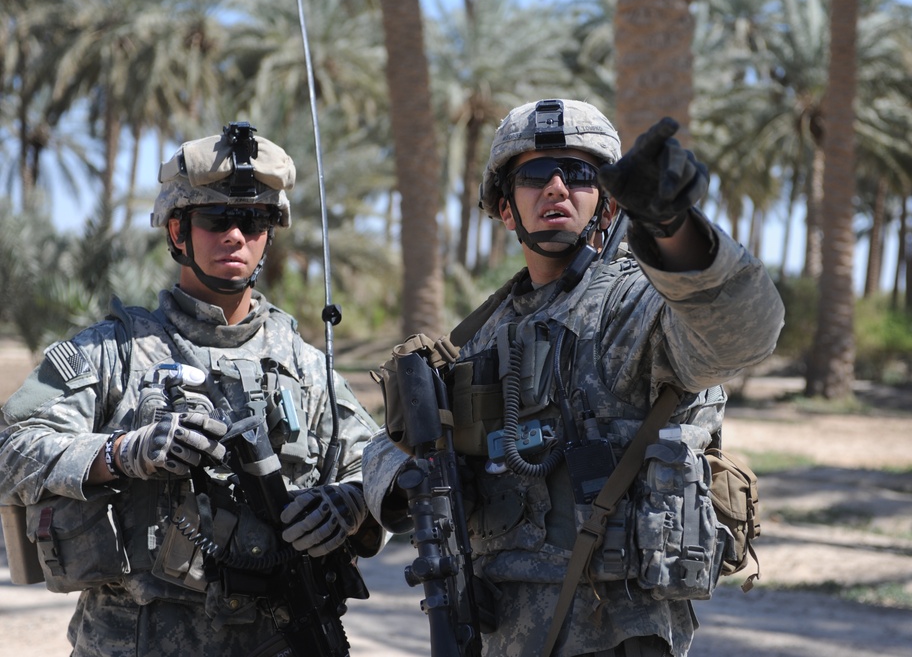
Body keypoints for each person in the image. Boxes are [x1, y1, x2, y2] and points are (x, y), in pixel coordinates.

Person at [361, 99, 785, 657]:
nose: (557, 187)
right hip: (497, 631)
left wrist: (672, 226)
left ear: (607, 202)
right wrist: (400, 480)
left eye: (580, 173)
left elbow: (743, 330)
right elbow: (384, 448)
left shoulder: (638, 305)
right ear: (506, 208)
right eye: (534, 174)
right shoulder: (483, 334)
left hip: (617, 630)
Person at [0, 122, 382, 656]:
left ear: (270, 233)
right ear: (178, 232)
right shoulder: (114, 351)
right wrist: (120, 452)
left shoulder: (306, 364)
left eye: (253, 220)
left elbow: (380, 461)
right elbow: (12, 449)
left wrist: (350, 501)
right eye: (216, 218)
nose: (235, 236)